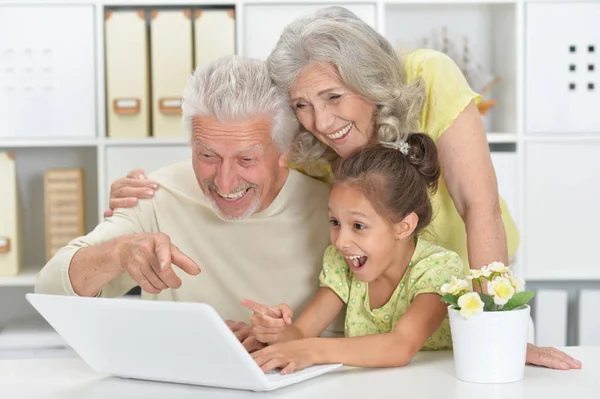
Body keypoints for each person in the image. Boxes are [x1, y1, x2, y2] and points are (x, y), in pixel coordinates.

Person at [101, 7, 577, 370]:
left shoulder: (428, 77)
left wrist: (494, 328)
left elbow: (480, 206)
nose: (322, 122)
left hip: (472, 293)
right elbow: (245, 167)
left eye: (333, 97)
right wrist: (152, 190)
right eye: (303, 104)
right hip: (379, 321)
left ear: (367, 81)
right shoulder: (307, 144)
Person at [34, 56, 335, 351]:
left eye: (246, 159)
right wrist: (119, 252)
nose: (225, 182)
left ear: (285, 150)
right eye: (207, 156)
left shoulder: (334, 211)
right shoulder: (155, 195)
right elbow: (49, 291)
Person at [243, 139, 580, 373]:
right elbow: (302, 334)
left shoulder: (437, 268)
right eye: (334, 222)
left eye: (358, 226)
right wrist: (276, 333)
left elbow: (400, 346)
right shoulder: (341, 264)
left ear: (403, 227)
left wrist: (311, 352)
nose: (341, 240)